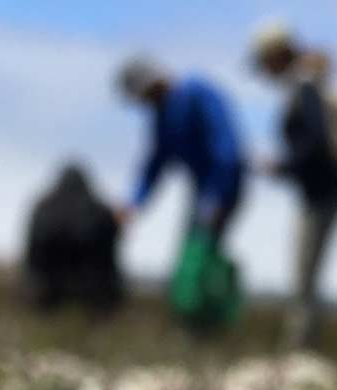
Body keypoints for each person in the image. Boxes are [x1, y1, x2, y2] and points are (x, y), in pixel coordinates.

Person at [248, 22, 337, 349]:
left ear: (277, 55)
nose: (263, 71)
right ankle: (301, 350)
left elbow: (314, 143)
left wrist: (282, 166)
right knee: (305, 277)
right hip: (322, 192)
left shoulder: (304, 86)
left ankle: (299, 353)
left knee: (304, 279)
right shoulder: (305, 84)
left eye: (264, 62)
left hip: (322, 194)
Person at [115, 56, 247, 250]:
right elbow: (154, 166)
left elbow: (226, 147)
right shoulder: (163, 119)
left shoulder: (197, 93)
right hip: (201, 189)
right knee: (191, 247)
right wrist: (133, 203)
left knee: (200, 252)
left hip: (226, 182)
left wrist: (217, 196)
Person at [21, 161, 123, 312]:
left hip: (48, 292)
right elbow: (111, 258)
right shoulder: (102, 212)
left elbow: (32, 256)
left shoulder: (43, 208)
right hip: (93, 293)